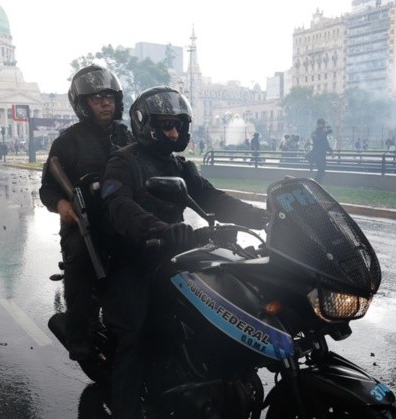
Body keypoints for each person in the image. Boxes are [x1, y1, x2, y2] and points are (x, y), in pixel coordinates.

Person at [100, 86, 269, 418]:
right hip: (135, 257)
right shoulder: (123, 161)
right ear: (145, 123)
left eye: (178, 125)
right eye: (166, 125)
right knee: (134, 339)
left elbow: (213, 198)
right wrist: (159, 230)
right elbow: (119, 207)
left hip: (176, 253)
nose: (174, 132)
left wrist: (264, 216)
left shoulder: (179, 165)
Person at [39, 65, 134, 368]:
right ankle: (79, 337)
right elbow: (47, 189)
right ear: (83, 104)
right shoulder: (68, 142)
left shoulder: (128, 135)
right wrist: (62, 206)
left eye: (109, 97)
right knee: (80, 264)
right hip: (84, 225)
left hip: (124, 221)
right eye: (96, 99)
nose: (105, 103)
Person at [308, 118, 333, 183]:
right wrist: (323, 134)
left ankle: (316, 183)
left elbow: (326, 144)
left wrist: (331, 151)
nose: (323, 125)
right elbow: (316, 141)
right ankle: (316, 183)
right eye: (321, 124)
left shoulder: (323, 134)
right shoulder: (314, 133)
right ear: (318, 124)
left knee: (322, 171)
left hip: (322, 154)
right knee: (321, 170)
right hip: (317, 154)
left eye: (323, 124)